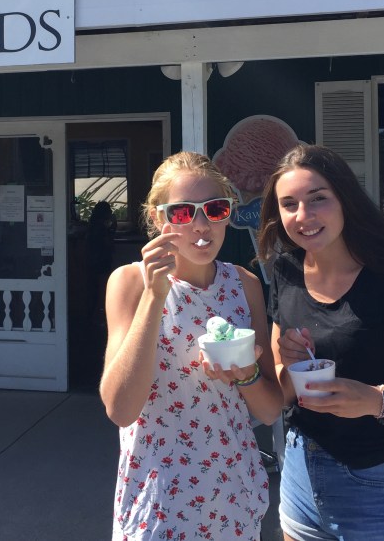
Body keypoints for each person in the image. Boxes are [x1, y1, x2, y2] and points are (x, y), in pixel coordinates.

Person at [256, 144, 384, 541]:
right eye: (289, 204)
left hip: (379, 483)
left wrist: (374, 400)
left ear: (345, 200)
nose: (303, 216)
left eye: (318, 199)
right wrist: (287, 361)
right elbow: (284, 392)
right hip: (301, 471)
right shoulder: (285, 271)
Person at [100, 151, 284, 540]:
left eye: (215, 209)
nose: (201, 225)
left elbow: (269, 410)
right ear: (157, 218)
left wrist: (245, 375)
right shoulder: (129, 283)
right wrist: (155, 296)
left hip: (234, 497)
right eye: (183, 212)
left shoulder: (244, 284)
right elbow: (120, 408)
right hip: (160, 505)